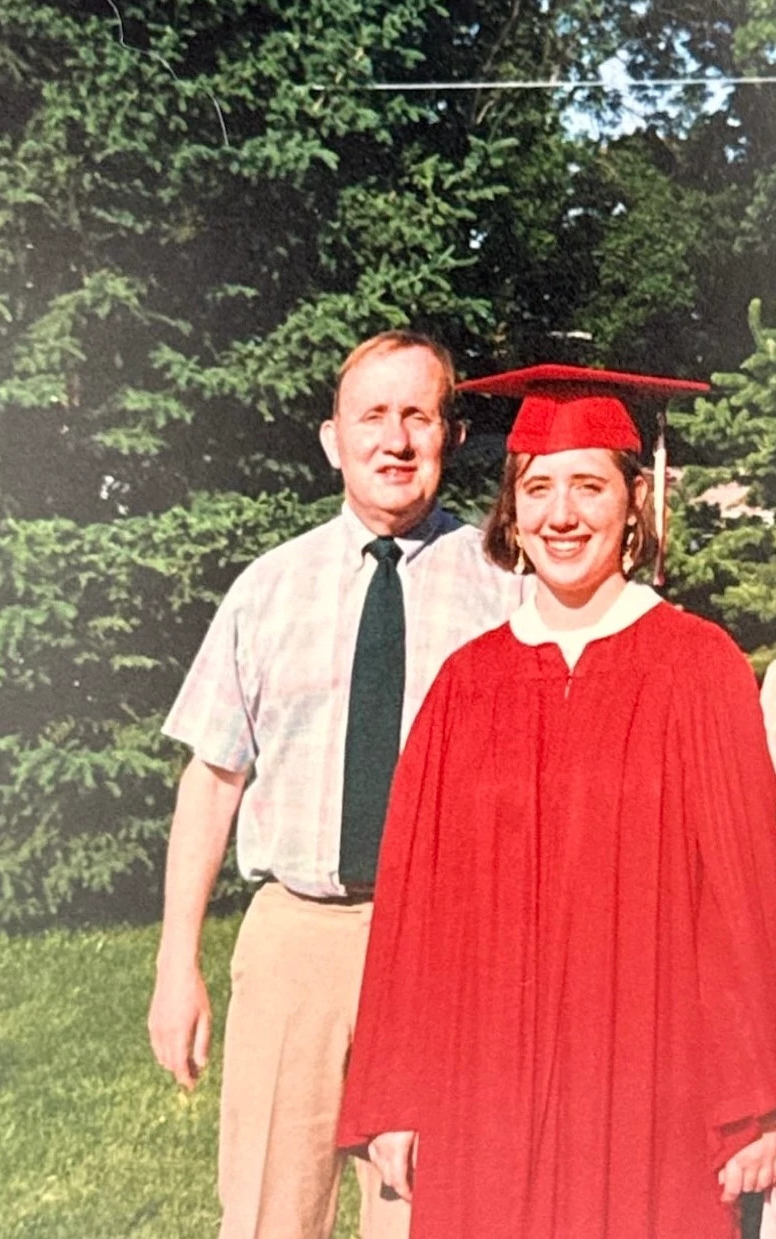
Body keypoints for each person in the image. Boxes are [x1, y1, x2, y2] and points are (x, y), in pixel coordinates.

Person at [338, 364, 776, 1239]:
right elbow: (415, 911)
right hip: (484, 1091)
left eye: (588, 485)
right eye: (537, 487)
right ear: (510, 508)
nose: (560, 514)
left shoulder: (698, 669)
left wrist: (755, 1101)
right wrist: (395, 1091)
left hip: (653, 1088)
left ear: (634, 502)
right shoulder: (468, 684)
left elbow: (746, 898)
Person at [146, 329, 526, 1239]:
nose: (394, 440)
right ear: (331, 439)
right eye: (372, 416)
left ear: (452, 434)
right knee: (273, 1209)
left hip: (444, 948)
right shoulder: (267, 589)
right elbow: (212, 777)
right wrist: (175, 962)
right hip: (298, 941)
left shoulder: (503, 589)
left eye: (417, 416)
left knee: (424, 1212)